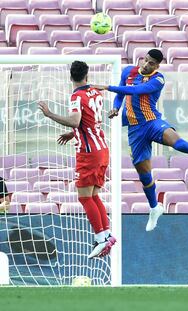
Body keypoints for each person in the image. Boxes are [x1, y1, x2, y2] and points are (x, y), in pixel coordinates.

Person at [92, 49, 188, 232]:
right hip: (135, 130)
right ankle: (155, 208)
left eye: (151, 63)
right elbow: (121, 95)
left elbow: (137, 90)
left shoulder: (158, 79)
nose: (146, 65)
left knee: (179, 144)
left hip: (152, 123)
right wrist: (116, 108)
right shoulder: (128, 72)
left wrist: (107, 87)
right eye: (145, 61)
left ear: (157, 66)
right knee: (143, 173)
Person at [38, 60, 115, 259]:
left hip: (88, 152)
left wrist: (49, 114)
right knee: (93, 195)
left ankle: (100, 239)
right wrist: (74, 134)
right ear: (87, 76)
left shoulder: (76, 96)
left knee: (84, 197)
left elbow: (75, 120)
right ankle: (106, 233)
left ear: (70, 77)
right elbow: (89, 121)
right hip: (102, 149)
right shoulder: (95, 93)